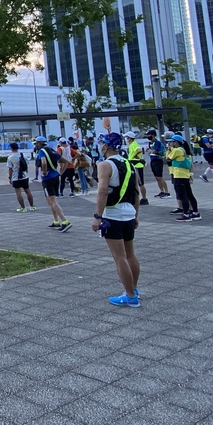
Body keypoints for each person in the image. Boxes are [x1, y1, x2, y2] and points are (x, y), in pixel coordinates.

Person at [90, 132, 141, 308]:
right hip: (128, 213)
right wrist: (135, 215)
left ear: (106, 146)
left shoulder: (105, 165)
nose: (100, 145)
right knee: (130, 254)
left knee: (119, 257)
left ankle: (130, 296)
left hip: (113, 214)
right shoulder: (128, 163)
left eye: (101, 143)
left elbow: (103, 191)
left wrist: (97, 216)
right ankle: (134, 288)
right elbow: (136, 192)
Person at [33, 136, 71, 232]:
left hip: (47, 179)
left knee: (52, 201)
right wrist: (60, 173)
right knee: (49, 200)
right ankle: (56, 221)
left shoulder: (41, 151)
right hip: (55, 177)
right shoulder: (51, 150)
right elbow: (66, 161)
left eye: (36, 143)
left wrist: (44, 171)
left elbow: (44, 162)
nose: (36, 145)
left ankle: (65, 221)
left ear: (39, 143)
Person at [167, 134, 200, 222]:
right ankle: (196, 213)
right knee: (189, 195)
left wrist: (169, 149)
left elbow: (168, 158)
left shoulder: (177, 150)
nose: (171, 143)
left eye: (172, 142)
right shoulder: (183, 150)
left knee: (183, 195)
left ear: (176, 142)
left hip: (178, 175)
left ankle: (186, 214)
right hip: (185, 174)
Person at [7, 142, 36, 212]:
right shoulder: (23, 155)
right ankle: (32, 206)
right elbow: (26, 166)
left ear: (11, 148)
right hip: (24, 176)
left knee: (18, 193)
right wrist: (26, 174)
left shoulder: (10, 158)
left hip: (16, 177)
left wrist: (9, 178)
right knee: (28, 191)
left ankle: (23, 208)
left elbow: (10, 169)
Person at [123, 132, 149, 206]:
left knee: (140, 183)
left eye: (127, 137)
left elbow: (139, 150)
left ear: (130, 138)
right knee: (136, 183)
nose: (126, 139)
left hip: (137, 165)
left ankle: (144, 198)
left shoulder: (134, 144)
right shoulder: (131, 145)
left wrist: (133, 157)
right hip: (134, 165)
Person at [145, 130, 171, 198]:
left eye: (149, 135)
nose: (148, 136)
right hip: (152, 160)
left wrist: (149, 149)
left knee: (160, 177)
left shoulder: (157, 143)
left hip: (158, 161)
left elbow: (154, 151)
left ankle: (167, 192)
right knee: (157, 178)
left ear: (153, 135)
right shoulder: (150, 143)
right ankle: (161, 191)